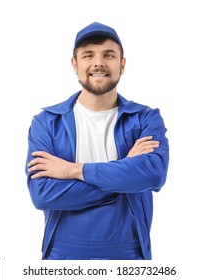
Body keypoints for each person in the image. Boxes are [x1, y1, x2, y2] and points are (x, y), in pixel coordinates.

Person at [25, 22, 169, 260]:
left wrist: (72, 170)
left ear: (122, 64)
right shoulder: (47, 122)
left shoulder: (145, 118)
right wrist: (124, 176)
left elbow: (153, 175)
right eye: (88, 55)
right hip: (63, 255)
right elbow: (42, 195)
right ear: (75, 64)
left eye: (109, 55)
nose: (98, 63)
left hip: (129, 254)